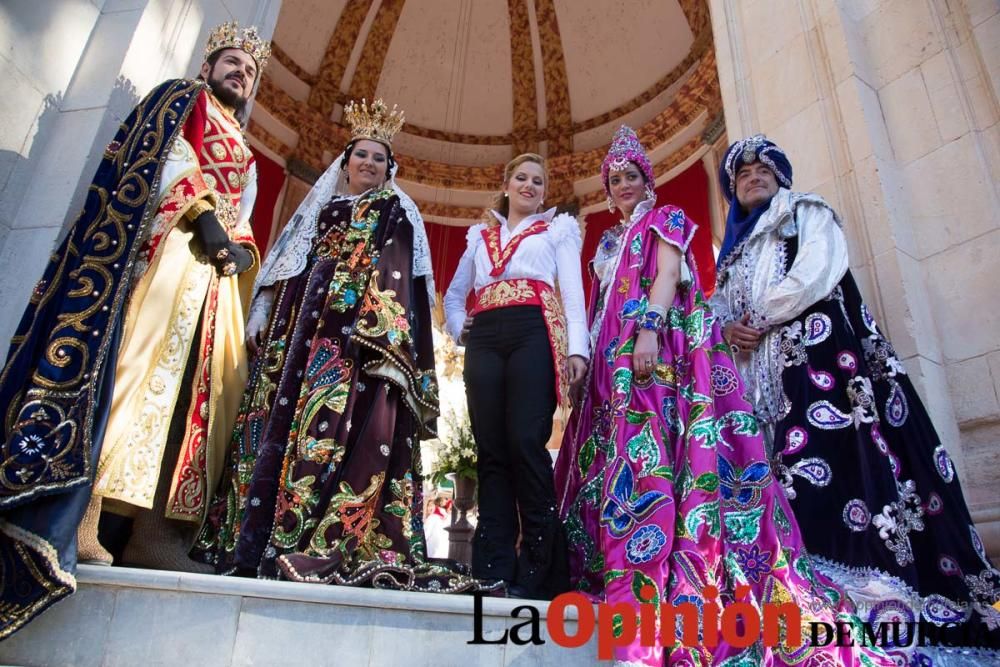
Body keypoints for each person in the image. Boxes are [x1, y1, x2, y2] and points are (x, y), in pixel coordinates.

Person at [555, 126, 893, 665]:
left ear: (648, 182)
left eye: (632, 177)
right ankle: (614, 574)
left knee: (655, 460)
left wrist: (649, 327)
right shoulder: (608, 243)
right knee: (611, 468)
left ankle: (655, 587)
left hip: (653, 351)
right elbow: (597, 310)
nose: (622, 185)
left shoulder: (664, 220)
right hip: (607, 366)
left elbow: (667, 274)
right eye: (614, 179)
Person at [0, 21, 269, 638]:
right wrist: (201, 218)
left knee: (203, 401)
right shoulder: (184, 99)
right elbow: (168, 157)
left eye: (249, 71)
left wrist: (242, 249)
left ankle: (158, 531)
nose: (241, 74)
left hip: (218, 280)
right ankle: (88, 515)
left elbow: (247, 211)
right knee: (137, 375)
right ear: (208, 68)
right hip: (173, 253)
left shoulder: (246, 147)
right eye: (232, 63)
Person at [710, 134, 1000, 661]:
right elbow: (715, 312)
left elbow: (817, 270)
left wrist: (755, 319)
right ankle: (800, 603)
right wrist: (728, 329)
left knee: (842, 472)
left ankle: (873, 604)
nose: (753, 177)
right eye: (743, 173)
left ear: (781, 178)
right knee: (782, 482)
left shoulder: (805, 213)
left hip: (818, 364)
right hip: (759, 382)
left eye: (763, 170)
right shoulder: (729, 256)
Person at [192, 99, 488, 593]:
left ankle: (315, 533)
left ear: (388, 169)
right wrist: (263, 312)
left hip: (351, 340)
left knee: (330, 429)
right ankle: (255, 539)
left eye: (379, 158)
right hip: (297, 335)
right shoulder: (320, 210)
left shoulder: (396, 210)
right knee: (276, 430)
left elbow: (401, 281)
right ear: (345, 162)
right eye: (362, 155)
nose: (369, 163)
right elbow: (285, 261)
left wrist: (377, 340)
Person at [443, 153, 588, 599]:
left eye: (538, 181)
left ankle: (540, 570)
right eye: (521, 178)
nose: (529, 186)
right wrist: (456, 327)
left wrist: (577, 350)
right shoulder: (478, 236)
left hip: (533, 331)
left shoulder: (557, 230)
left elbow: (572, 290)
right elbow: (453, 294)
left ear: (545, 191)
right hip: (485, 335)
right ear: (506, 185)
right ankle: (492, 568)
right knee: (491, 451)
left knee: (526, 442)